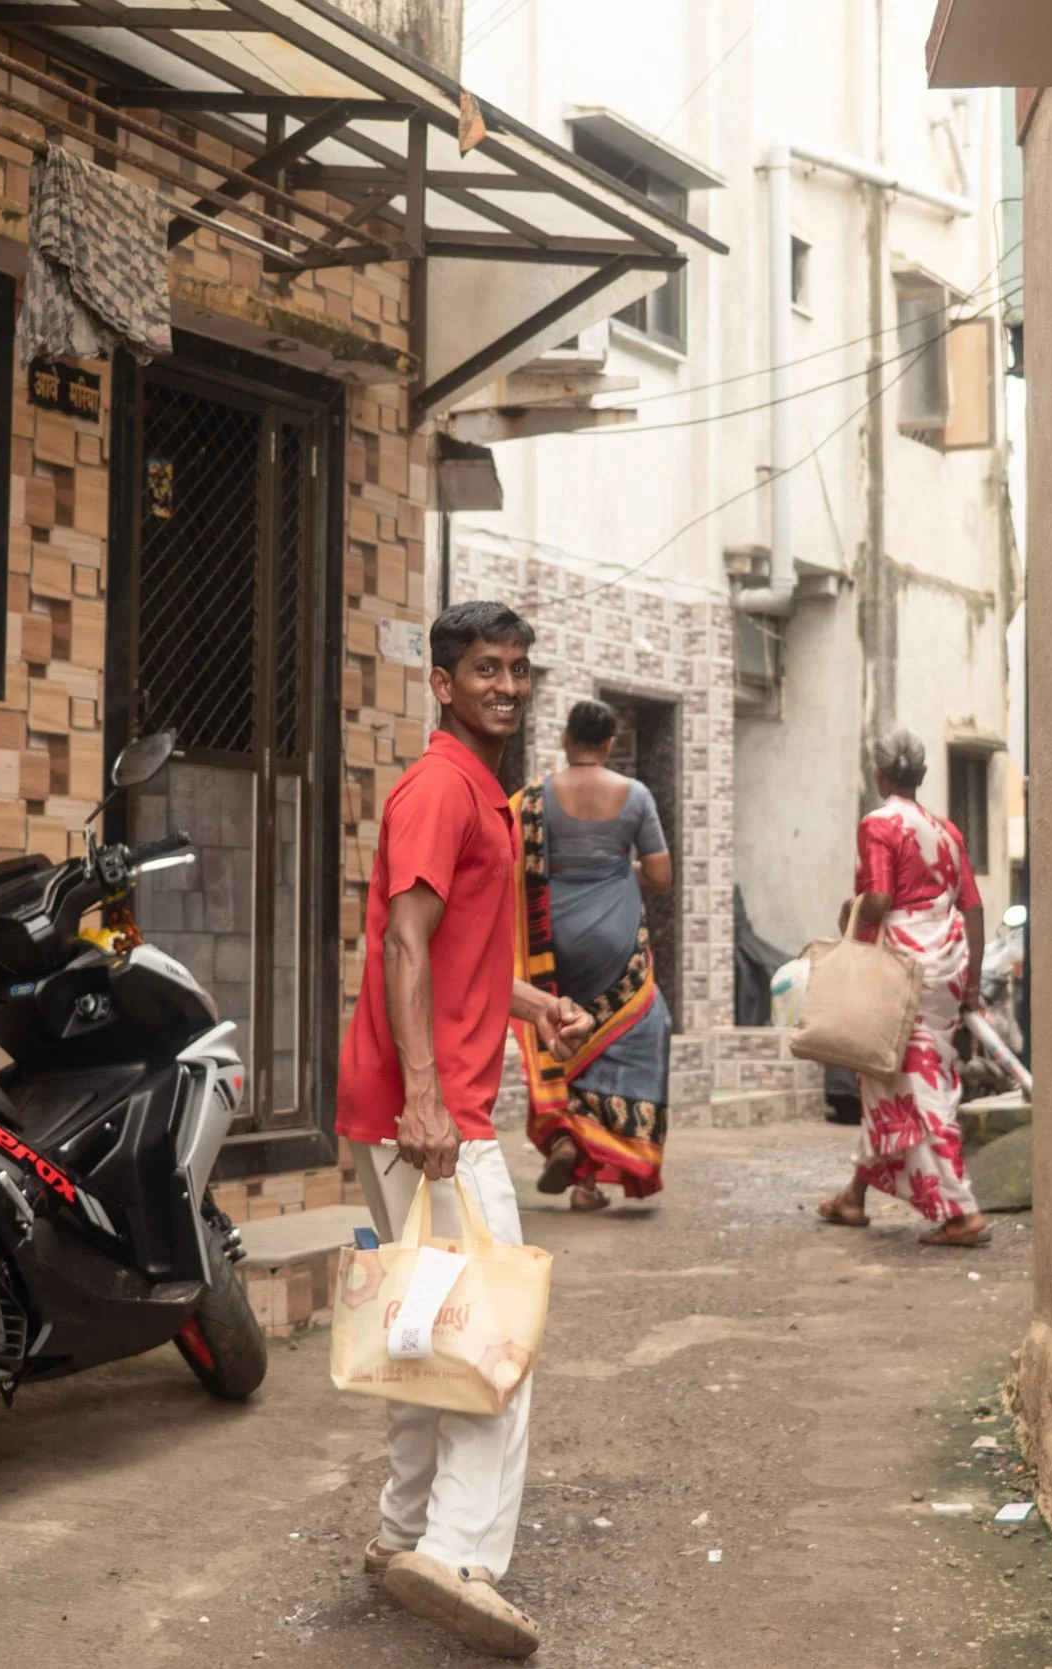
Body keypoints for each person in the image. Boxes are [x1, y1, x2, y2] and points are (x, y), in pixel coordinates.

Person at [335, 600, 593, 1660]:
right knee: (492, 1338)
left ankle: (404, 1534)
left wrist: (527, 1004)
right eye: (486, 669)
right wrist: (432, 1099)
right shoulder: (443, 787)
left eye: (519, 670)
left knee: (420, 1328)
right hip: (434, 1117)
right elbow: (406, 942)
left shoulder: (480, 790)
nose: (508, 685)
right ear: (442, 683)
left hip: (401, 1106)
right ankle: (454, 1553)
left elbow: (454, 950)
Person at [816, 728, 992, 1248]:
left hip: (902, 968)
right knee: (890, 1080)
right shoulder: (947, 831)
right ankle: (854, 1196)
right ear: (921, 776)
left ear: (879, 774)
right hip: (945, 962)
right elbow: (974, 908)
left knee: (916, 1087)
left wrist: (850, 924)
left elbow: (878, 898)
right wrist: (974, 981)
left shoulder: (878, 824)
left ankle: (961, 1212)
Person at [515, 699, 675, 1212]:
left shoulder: (534, 798)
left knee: (560, 1034)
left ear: (566, 739)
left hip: (549, 940)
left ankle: (567, 1142)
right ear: (608, 744)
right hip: (615, 934)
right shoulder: (636, 797)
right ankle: (589, 1177)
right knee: (639, 1030)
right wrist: (614, 868)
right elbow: (660, 875)